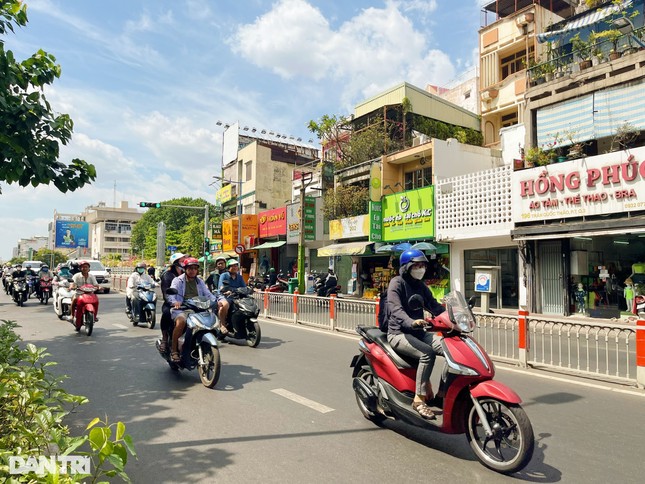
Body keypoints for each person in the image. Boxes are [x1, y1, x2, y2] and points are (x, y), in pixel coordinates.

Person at [385, 249, 445, 420]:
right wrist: (410, 322)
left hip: (419, 332)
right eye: (416, 265)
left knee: (451, 349)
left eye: (423, 265)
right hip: (399, 333)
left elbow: (434, 306)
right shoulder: (397, 283)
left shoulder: (421, 286)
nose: (421, 269)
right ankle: (419, 399)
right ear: (407, 267)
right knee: (428, 353)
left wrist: (454, 317)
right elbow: (395, 308)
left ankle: (441, 395)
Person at [168, 257, 225, 363]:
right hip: (182, 309)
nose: (192, 270)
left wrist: (215, 301)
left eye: (195, 268)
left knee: (209, 321)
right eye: (190, 268)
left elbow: (208, 294)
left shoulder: (200, 282)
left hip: (198, 308)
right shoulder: (178, 280)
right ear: (185, 269)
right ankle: (174, 350)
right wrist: (175, 302)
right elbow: (172, 294)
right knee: (181, 322)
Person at [159, 252, 186, 354]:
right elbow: (166, 292)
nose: (184, 262)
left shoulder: (186, 274)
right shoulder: (167, 275)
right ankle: (165, 338)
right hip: (171, 303)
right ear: (176, 262)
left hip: (186, 303)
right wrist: (172, 302)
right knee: (166, 313)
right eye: (182, 260)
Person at [217, 259, 247, 334]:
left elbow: (244, 287)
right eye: (232, 266)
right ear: (228, 267)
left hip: (236, 296)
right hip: (225, 296)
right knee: (225, 305)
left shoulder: (240, 277)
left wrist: (249, 290)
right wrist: (227, 290)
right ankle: (223, 324)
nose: (234, 267)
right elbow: (221, 287)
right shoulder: (224, 275)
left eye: (236, 266)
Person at [69, 261, 100, 330]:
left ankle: (94, 316)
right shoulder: (76, 276)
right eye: (83, 267)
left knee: (96, 301)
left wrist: (99, 287)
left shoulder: (92, 276)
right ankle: (72, 315)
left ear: (89, 268)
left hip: (89, 293)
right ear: (80, 268)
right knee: (74, 299)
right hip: (79, 293)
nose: (85, 268)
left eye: (86, 267)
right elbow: (72, 283)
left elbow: (96, 284)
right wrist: (72, 286)